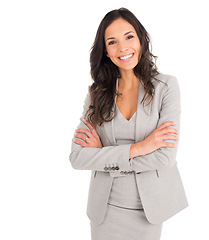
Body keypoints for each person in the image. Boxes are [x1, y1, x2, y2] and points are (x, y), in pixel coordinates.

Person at [69, 7, 188, 240]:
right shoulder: (97, 93)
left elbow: (165, 157)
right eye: (112, 42)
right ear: (105, 52)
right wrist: (140, 148)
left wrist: (103, 154)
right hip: (104, 211)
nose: (122, 48)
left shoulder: (166, 88)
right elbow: (77, 157)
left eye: (129, 37)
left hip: (148, 210)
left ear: (141, 39)